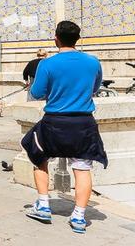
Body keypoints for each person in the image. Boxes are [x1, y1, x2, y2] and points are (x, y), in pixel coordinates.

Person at [22, 21, 106, 235]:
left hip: (55, 122)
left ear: (56, 39)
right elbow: (95, 88)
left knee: (37, 155)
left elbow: (37, 92)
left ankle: (43, 204)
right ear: (77, 39)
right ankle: (78, 216)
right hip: (83, 123)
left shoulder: (48, 64)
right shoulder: (93, 62)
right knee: (82, 167)